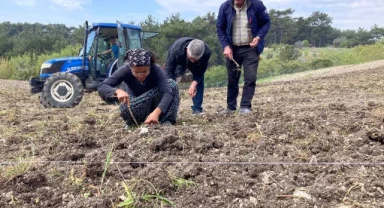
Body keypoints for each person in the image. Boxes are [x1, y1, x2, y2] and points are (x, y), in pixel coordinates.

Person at [98, 48, 180, 128]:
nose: (141, 75)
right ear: (130, 68)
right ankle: (136, 122)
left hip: (155, 104)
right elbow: (102, 86)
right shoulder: (125, 70)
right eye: (136, 72)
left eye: (145, 71)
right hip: (137, 105)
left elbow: (167, 93)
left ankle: (165, 120)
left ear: (150, 67)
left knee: (172, 84)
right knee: (124, 108)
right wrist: (117, 91)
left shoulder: (156, 69)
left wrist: (156, 112)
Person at [216, 0, 271, 115]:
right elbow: (220, 28)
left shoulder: (256, 5)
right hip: (232, 49)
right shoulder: (225, 7)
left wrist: (259, 37)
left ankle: (245, 107)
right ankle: (231, 108)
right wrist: (225, 46)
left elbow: (266, 23)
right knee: (232, 79)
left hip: (250, 49)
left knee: (250, 78)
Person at [165, 37, 211, 115]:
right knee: (170, 84)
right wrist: (172, 87)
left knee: (199, 81)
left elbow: (201, 71)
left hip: (197, 64)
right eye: (191, 58)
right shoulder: (176, 50)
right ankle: (170, 109)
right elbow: (169, 70)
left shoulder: (206, 52)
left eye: (195, 59)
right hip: (180, 60)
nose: (192, 61)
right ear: (187, 50)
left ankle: (197, 109)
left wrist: (194, 83)